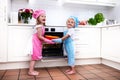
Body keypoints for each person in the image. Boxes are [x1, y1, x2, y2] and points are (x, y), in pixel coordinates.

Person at [27, 9, 54, 76]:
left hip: (36, 42)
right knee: (34, 57)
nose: (44, 17)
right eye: (42, 16)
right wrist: (48, 41)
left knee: (34, 57)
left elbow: (40, 36)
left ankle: (32, 70)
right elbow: (39, 36)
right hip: (35, 42)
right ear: (38, 18)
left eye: (45, 16)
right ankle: (30, 71)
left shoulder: (41, 25)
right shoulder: (39, 26)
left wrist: (43, 42)